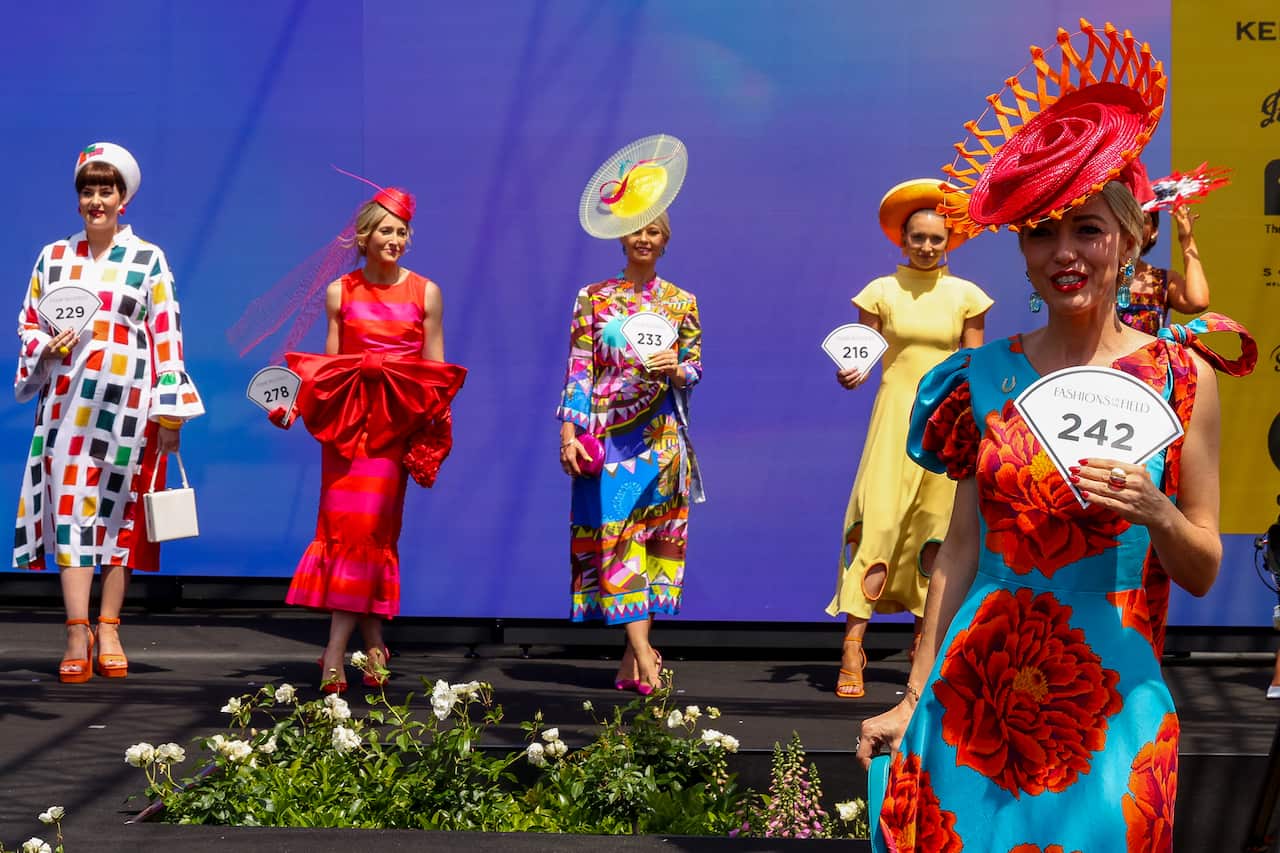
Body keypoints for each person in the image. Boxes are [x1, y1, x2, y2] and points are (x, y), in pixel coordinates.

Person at [856, 21, 1256, 851]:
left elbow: (1203, 566)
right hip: (976, 700)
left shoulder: (1184, 379)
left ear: (1130, 239)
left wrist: (1156, 510)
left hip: (1116, 707)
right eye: (1042, 231)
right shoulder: (982, 377)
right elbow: (959, 550)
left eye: (1088, 229)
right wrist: (914, 690)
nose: (1064, 253)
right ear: (1023, 248)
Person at [12, 142, 204, 682]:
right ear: (78, 201)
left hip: (130, 410)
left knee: (120, 518)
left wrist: (170, 416)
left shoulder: (148, 259)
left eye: (106, 191)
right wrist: (45, 346)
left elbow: (167, 336)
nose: (97, 201)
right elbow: (28, 324)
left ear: (124, 199)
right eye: (88, 192)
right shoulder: (54, 257)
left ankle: (110, 626)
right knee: (70, 511)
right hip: (67, 408)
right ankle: (78, 631)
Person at [269, 185, 465, 692]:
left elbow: (436, 373)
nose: (395, 239)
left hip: (392, 430)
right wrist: (292, 406)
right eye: (386, 231)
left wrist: (430, 431)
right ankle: (374, 642)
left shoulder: (426, 292)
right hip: (345, 430)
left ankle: (334, 650)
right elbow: (329, 372)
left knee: (370, 533)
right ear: (364, 237)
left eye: (402, 232)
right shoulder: (340, 291)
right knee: (347, 532)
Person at [826, 179, 991, 699]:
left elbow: (973, 364)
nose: (926, 246)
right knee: (877, 522)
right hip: (894, 415)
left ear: (949, 242)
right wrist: (849, 375)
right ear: (903, 239)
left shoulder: (967, 296)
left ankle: (925, 652)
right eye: (917, 237)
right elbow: (862, 355)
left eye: (936, 239)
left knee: (934, 529)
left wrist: (976, 419)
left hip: (946, 421)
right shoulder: (881, 291)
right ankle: (853, 646)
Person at [558, 207, 703, 695]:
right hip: (607, 439)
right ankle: (644, 654)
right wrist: (569, 433)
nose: (645, 237)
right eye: (637, 230)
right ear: (621, 239)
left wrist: (676, 368)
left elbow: (695, 368)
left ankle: (630, 657)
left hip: (661, 439)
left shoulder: (681, 302)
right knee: (618, 542)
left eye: (654, 231)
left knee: (654, 541)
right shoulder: (594, 297)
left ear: (665, 241)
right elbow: (580, 368)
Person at [1116, 162, 1211, 334]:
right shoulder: (1097, 274)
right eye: (1128, 218)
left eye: (1143, 220)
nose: (1134, 227)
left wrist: (1186, 239)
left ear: (1153, 232)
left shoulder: (1162, 280)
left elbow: (1197, 301)